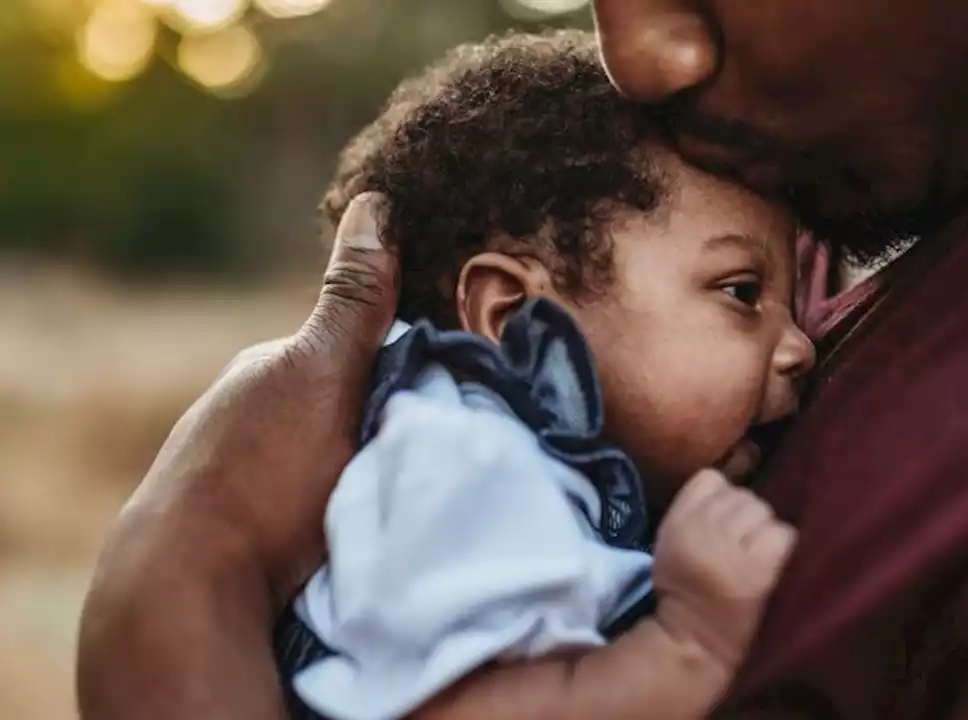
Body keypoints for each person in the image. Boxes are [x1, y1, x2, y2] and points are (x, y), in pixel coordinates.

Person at [78, 0, 968, 717]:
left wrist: (174, 587)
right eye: (745, 292)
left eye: (755, 290)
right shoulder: (892, 182)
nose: (641, 54)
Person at [271, 30, 809, 720]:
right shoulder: (466, 469)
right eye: (741, 292)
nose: (799, 347)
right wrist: (692, 643)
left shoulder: (521, 468)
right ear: (515, 316)